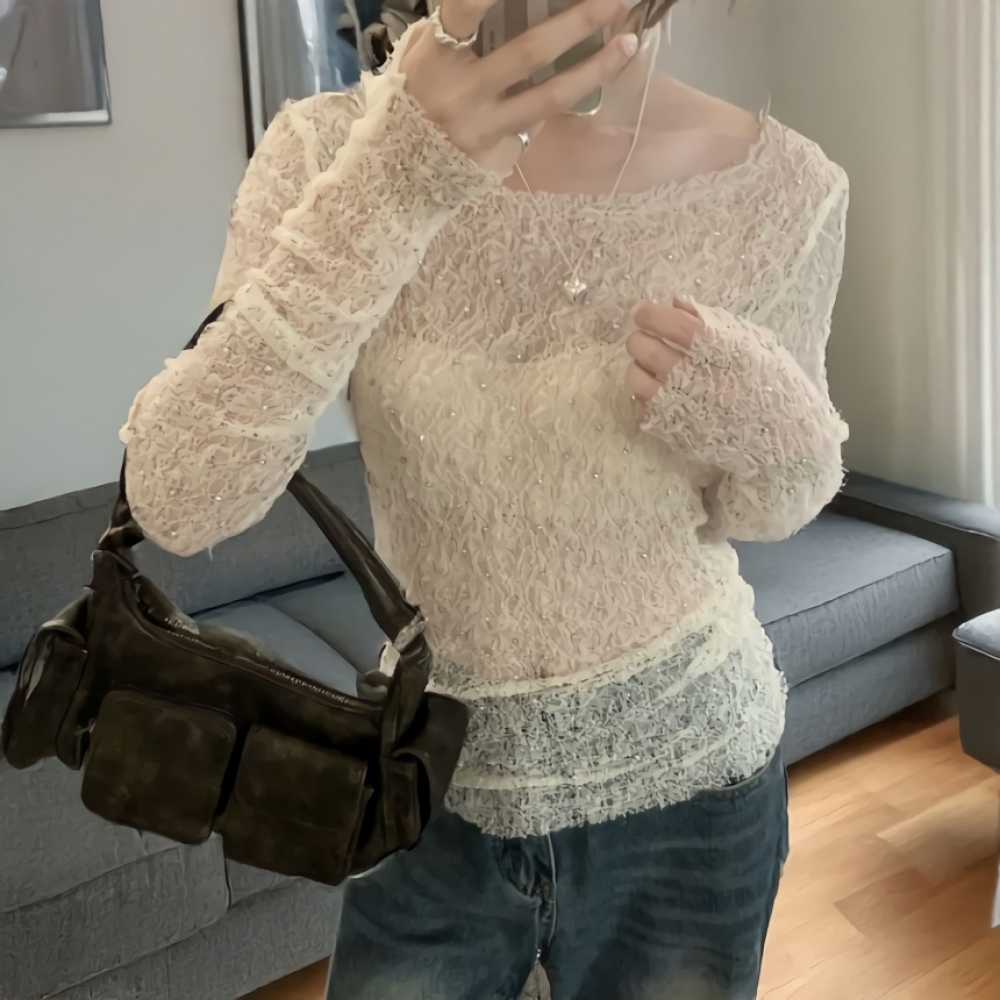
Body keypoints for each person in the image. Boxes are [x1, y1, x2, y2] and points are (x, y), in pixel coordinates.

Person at [120, 0, 849, 996]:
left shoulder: (786, 188)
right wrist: (397, 179)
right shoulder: (331, 152)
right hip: (428, 791)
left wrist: (771, 424)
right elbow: (182, 497)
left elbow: (768, 508)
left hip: (692, 783)